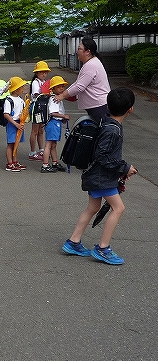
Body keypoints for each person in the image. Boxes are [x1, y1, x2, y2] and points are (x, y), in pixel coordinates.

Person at [62, 87, 138, 265]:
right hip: (101, 177)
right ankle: (103, 248)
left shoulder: (105, 123)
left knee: (92, 207)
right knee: (118, 208)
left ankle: (74, 241)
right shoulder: (113, 130)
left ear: (108, 106)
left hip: (94, 174)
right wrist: (125, 168)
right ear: (130, 109)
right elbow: (103, 156)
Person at [54, 37, 110, 124]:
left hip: (99, 106)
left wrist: (62, 96)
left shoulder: (91, 65)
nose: (77, 51)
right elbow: (78, 83)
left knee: (100, 133)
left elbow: (79, 87)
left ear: (88, 52)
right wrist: (64, 93)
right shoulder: (90, 63)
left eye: (79, 49)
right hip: (98, 106)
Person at [41, 76, 69, 173]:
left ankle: (55, 162)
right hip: (53, 123)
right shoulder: (54, 99)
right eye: (59, 87)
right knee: (49, 144)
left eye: (62, 86)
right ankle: (45, 164)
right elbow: (53, 113)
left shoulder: (58, 99)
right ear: (53, 88)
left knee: (53, 144)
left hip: (56, 123)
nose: (62, 88)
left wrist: (62, 119)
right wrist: (63, 116)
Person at [4, 77, 28, 172]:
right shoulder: (9, 100)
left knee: (16, 144)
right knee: (11, 144)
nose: (23, 89)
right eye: (21, 87)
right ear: (16, 89)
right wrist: (15, 124)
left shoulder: (21, 99)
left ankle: (15, 161)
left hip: (19, 123)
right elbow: (6, 114)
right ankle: (10, 163)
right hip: (12, 124)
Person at [29, 61, 50, 161]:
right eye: (41, 72)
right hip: (36, 108)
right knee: (35, 131)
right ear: (37, 73)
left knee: (41, 130)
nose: (44, 74)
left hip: (43, 108)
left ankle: (41, 149)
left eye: (45, 72)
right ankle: (32, 152)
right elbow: (37, 95)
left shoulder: (44, 82)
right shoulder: (35, 82)